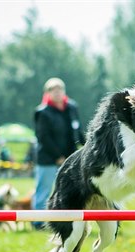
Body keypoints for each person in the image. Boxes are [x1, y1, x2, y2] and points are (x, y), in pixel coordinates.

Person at [31, 77, 85, 230]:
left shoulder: (72, 107)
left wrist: (87, 146)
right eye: (53, 90)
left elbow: (77, 130)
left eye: (60, 89)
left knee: (71, 190)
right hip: (48, 159)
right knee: (43, 189)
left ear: (64, 91)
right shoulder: (42, 112)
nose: (57, 93)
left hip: (71, 159)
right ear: (47, 93)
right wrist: (58, 157)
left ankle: (69, 220)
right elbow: (43, 137)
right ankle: (38, 222)